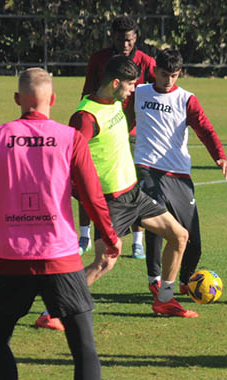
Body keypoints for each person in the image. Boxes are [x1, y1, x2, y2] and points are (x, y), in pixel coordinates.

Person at [0, 67, 123, 379]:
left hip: (10, 261)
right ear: (53, 99)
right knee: (84, 347)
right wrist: (110, 239)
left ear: (18, 98)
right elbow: (92, 197)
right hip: (61, 259)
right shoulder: (69, 138)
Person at [73, 54, 197, 318]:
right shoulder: (86, 117)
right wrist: (85, 197)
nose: (133, 90)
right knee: (104, 263)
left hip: (134, 193)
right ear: (116, 83)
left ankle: (165, 299)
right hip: (112, 202)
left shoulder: (116, 103)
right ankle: (53, 309)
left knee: (179, 236)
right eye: (130, 85)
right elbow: (66, 162)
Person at [134, 48, 227, 295]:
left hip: (178, 174)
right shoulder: (138, 93)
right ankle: (155, 279)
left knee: (193, 240)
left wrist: (219, 156)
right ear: (154, 71)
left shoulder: (186, 99)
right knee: (157, 224)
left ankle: (186, 282)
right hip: (147, 168)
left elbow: (205, 129)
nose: (169, 81)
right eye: (165, 74)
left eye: (175, 75)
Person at [77, 15, 157, 259]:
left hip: (133, 132)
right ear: (111, 37)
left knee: (135, 184)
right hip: (101, 129)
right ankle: (83, 235)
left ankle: (138, 241)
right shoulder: (100, 59)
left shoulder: (145, 61)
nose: (125, 45)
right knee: (87, 179)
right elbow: (88, 90)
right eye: (121, 40)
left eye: (129, 40)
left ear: (136, 39)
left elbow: (161, 87)